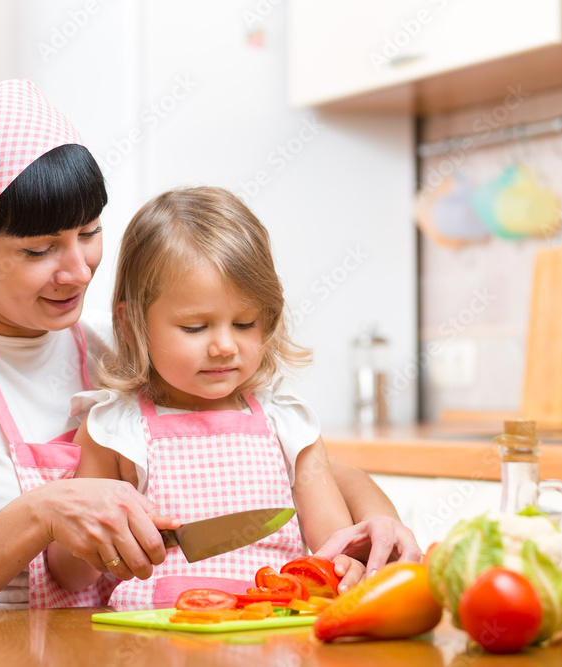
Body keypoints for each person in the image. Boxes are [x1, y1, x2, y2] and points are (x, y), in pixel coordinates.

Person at [0, 80, 420, 613]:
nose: (78, 270)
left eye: (89, 233)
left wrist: (376, 520)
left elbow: (277, 458)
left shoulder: (112, 350)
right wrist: (41, 513)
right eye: (39, 250)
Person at [44, 187, 379, 609]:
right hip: (157, 639)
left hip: (273, 631)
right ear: (130, 325)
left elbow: (334, 547)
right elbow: (69, 575)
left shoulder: (289, 425)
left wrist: (347, 567)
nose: (224, 345)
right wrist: (100, 543)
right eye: (195, 327)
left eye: (244, 323)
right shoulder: (114, 430)